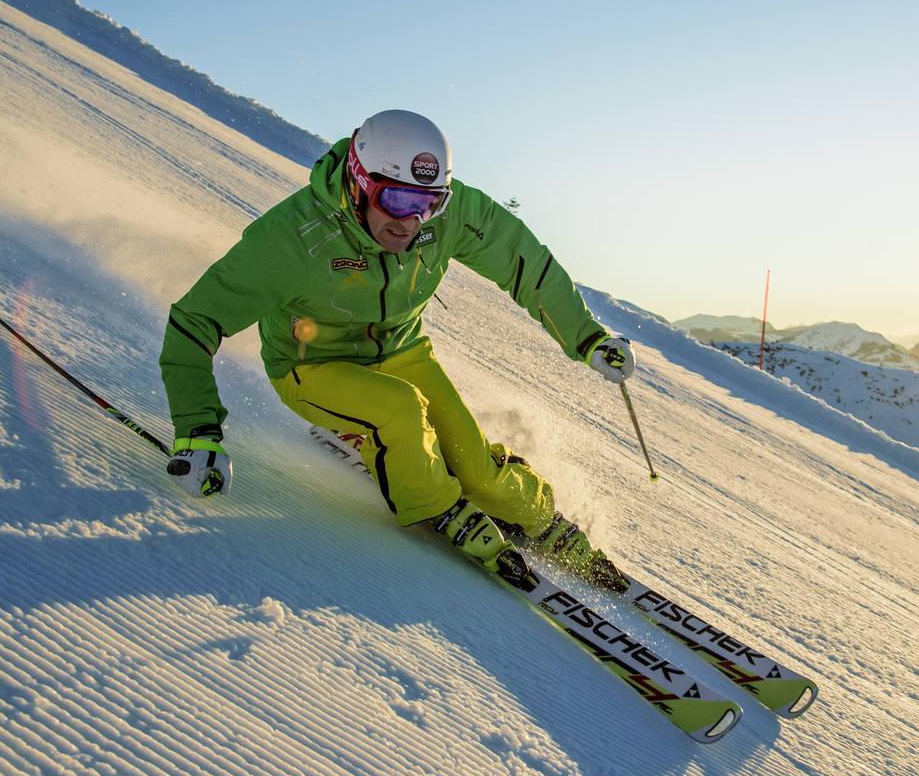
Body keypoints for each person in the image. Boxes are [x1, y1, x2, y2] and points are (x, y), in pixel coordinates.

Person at [159, 109, 636, 588]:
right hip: (313, 365)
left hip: (402, 349)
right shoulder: (296, 238)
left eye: (429, 203)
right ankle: (438, 507)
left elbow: (524, 264)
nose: (412, 220)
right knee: (400, 410)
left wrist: (587, 336)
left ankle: (533, 514)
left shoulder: (443, 216)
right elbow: (195, 320)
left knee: (477, 469)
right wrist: (197, 431)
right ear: (360, 182)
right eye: (398, 199)